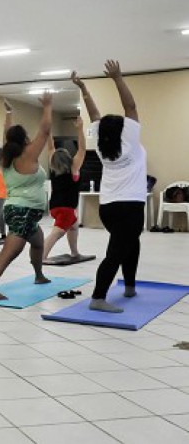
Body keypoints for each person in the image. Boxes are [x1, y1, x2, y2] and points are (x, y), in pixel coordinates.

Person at [75, 61, 146, 313]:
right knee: (116, 251)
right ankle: (98, 297)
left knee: (129, 243)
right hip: (130, 206)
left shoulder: (105, 148)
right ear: (123, 131)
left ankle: (129, 286)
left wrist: (84, 89)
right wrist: (117, 77)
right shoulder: (131, 142)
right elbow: (131, 106)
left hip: (109, 207)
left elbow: (95, 116)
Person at [0, 92, 53, 300]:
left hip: (24, 211)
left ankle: (39, 275)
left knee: (38, 242)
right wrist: (47, 106)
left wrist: (9, 112)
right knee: (10, 251)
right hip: (22, 210)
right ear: (25, 140)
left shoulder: (8, 155)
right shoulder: (27, 155)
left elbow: (7, 134)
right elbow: (45, 130)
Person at [42, 115, 86, 261]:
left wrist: (48, 133)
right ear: (69, 158)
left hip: (54, 207)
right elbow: (82, 150)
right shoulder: (73, 168)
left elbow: (50, 147)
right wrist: (80, 129)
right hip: (66, 208)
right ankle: (41, 257)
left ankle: (74, 252)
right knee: (56, 233)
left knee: (73, 226)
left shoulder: (54, 168)